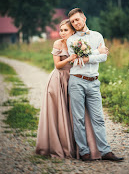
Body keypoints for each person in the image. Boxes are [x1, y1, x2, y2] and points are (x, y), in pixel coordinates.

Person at [35, 19, 106, 159]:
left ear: (73, 31)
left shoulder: (77, 43)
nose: (62, 33)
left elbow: (87, 56)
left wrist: (98, 51)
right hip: (60, 79)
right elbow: (57, 65)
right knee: (61, 112)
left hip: (75, 79)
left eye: (65, 30)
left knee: (78, 114)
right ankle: (63, 145)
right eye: (61, 30)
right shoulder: (58, 43)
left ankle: (83, 147)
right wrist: (69, 59)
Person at [67, 8, 124, 162]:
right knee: (78, 119)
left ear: (84, 18)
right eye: (72, 21)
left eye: (77, 19)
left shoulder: (98, 35)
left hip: (94, 82)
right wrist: (95, 52)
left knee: (98, 118)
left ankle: (105, 151)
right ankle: (84, 152)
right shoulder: (71, 40)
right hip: (77, 80)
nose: (75, 23)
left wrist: (89, 56)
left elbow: (104, 57)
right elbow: (77, 60)